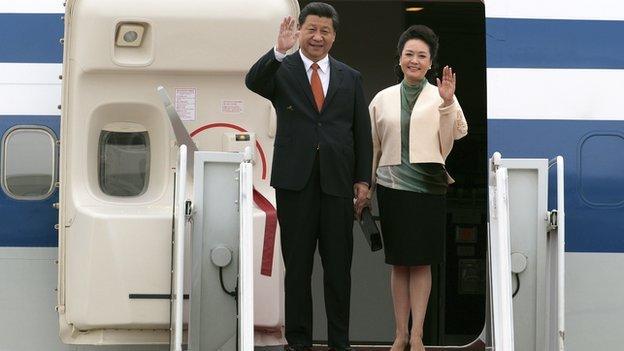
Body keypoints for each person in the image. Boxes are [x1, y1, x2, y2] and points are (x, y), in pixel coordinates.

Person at [245, 3, 372, 350]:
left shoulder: (350, 77)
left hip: (337, 183)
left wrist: (363, 180)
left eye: (325, 31)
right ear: (299, 30)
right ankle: (298, 342)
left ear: (334, 36)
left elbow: (361, 131)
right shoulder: (282, 70)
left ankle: (339, 342)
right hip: (294, 183)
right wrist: (277, 51)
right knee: (298, 269)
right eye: (311, 29)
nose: (317, 36)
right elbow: (252, 81)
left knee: (338, 271)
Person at [366, 25, 468, 351]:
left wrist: (448, 102)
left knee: (422, 261)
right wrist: (365, 187)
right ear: (399, 59)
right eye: (409, 54)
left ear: (430, 62)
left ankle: (418, 334)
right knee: (399, 261)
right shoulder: (382, 98)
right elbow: (373, 147)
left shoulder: (441, 96)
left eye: (421, 55)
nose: (414, 60)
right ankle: (399, 333)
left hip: (429, 185)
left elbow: (450, 139)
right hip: (391, 185)